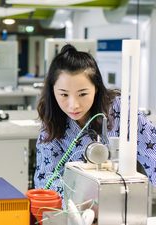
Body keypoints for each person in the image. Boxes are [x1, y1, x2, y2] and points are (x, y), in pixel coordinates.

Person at [34, 44, 156, 197]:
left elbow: (153, 154)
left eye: (83, 94)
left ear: (96, 88)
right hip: (76, 209)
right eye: (64, 95)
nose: (74, 105)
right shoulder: (52, 122)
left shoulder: (120, 110)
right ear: (53, 91)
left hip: (122, 201)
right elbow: (46, 181)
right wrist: (82, 205)